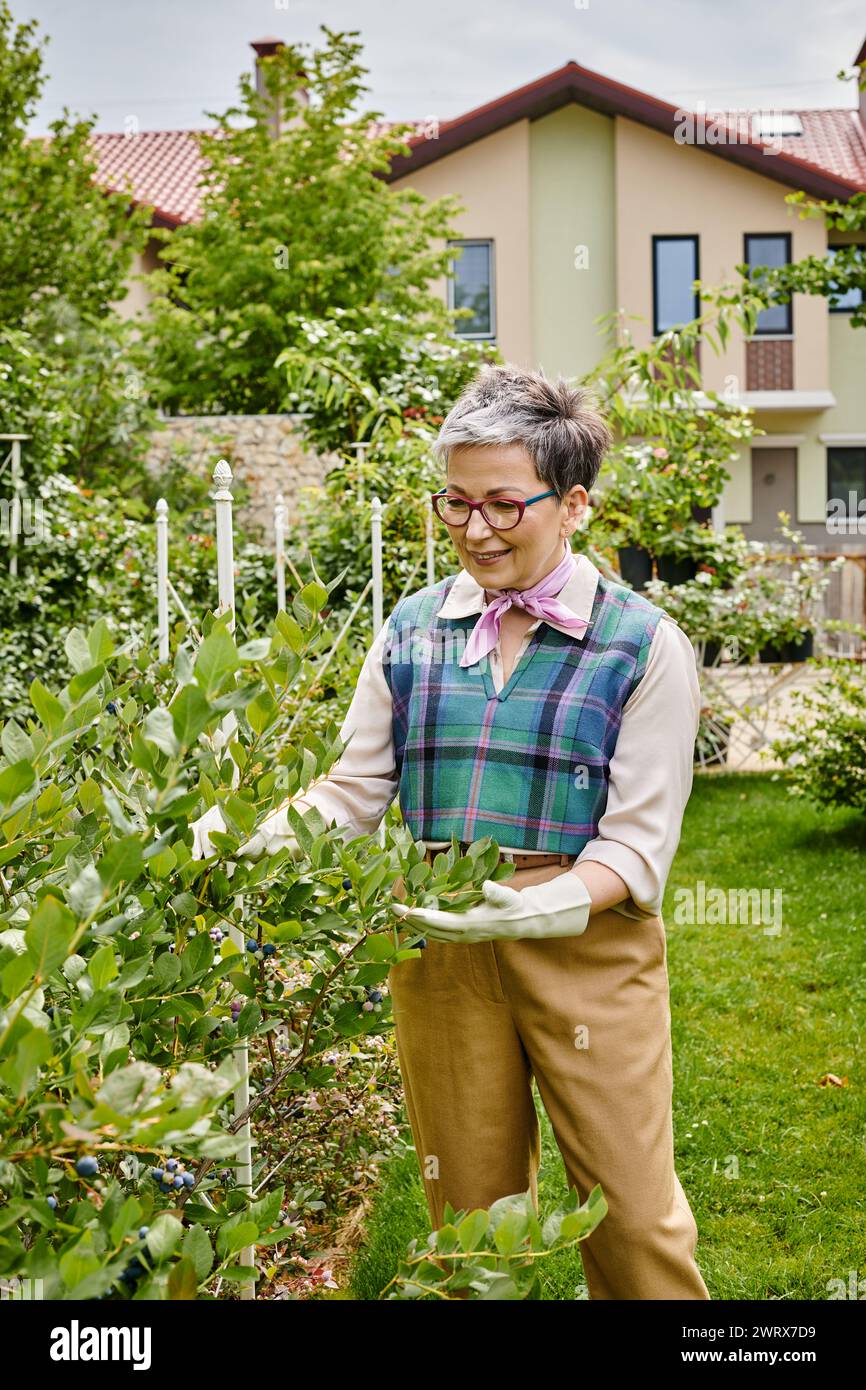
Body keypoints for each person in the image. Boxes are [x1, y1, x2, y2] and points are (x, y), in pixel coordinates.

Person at [191, 364, 709, 1300]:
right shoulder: (412, 628)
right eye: (456, 503)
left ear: (573, 503)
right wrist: (245, 840)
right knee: (468, 1224)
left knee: (632, 1218)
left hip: (587, 945)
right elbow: (355, 786)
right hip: (438, 944)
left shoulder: (643, 644)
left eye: (505, 505)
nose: (476, 530)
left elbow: (637, 843)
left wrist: (542, 905)